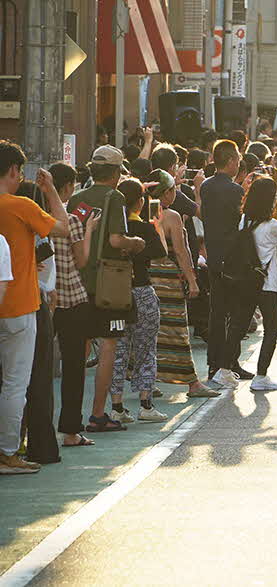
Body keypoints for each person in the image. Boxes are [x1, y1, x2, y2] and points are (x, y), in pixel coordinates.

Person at [67, 145, 145, 435]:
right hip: (107, 286)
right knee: (109, 345)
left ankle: (70, 420)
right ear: (115, 173)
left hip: (76, 282)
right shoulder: (116, 197)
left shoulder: (76, 198)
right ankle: (98, 414)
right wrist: (135, 242)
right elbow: (115, 239)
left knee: (78, 350)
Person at [228, 177, 277, 392]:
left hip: (246, 281)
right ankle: (261, 375)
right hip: (266, 284)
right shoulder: (271, 226)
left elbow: (275, 233)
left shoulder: (245, 220)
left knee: (239, 325)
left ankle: (224, 370)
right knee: (271, 330)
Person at [148, 170, 218, 398]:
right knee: (177, 331)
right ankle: (192, 382)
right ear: (166, 193)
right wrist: (192, 280)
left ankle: (148, 381)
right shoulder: (171, 216)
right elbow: (180, 251)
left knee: (148, 333)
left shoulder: (138, 213)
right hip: (168, 279)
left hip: (144, 279)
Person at [108, 179, 169, 424]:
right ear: (141, 202)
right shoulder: (144, 229)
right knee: (146, 349)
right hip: (142, 291)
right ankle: (145, 403)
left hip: (114, 293)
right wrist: (159, 227)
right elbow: (162, 253)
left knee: (118, 351)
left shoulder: (110, 230)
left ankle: (116, 406)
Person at [47, 163, 93, 447]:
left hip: (43, 301)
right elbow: (82, 260)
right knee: (74, 367)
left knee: (35, 368)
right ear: (66, 188)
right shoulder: (72, 221)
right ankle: (71, 431)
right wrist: (89, 230)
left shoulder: (37, 217)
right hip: (72, 298)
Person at [16, 181, 60, 465]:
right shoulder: (39, 230)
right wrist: (53, 191)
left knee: (12, 382)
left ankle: (13, 444)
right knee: (37, 381)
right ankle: (40, 445)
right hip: (34, 302)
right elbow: (65, 226)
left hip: (14, 302)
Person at [200, 139, 250, 387]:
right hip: (232, 257)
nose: (239, 163)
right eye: (238, 159)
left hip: (213, 254)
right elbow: (240, 221)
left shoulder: (207, 186)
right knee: (235, 313)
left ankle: (215, 363)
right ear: (231, 161)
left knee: (217, 312)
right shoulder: (235, 191)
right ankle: (229, 361)